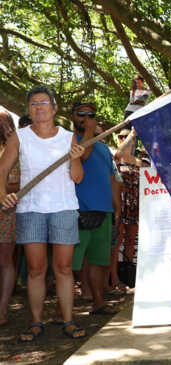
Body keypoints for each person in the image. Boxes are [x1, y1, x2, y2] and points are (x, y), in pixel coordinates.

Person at [0, 85, 86, 341]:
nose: (39, 107)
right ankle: (36, 321)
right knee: (36, 269)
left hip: (63, 208)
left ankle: (68, 320)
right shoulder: (20, 137)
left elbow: (78, 178)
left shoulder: (68, 137)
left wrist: (76, 158)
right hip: (31, 210)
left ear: (54, 108)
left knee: (64, 267)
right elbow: (2, 170)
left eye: (44, 103)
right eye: (34, 103)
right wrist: (3, 195)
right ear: (28, 109)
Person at [70, 101, 120, 315]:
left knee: (99, 261)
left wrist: (117, 207)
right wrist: (90, 130)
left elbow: (111, 178)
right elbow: (83, 156)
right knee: (69, 263)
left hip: (103, 211)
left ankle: (98, 302)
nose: (86, 117)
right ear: (72, 116)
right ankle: (60, 310)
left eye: (91, 114)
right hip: (79, 211)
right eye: (81, 113)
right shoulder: (71, 141)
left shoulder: (102, 146)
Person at [111, 128, 144, 290]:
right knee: (116, 243)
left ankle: (128, 275)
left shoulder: (140, 161)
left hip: (135, 206)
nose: (125, 139)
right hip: (120, 205)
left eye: (127, 136)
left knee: (131, 241)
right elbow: (119, 154)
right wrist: (132, 133)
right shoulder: (115, 159)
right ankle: (114, 278)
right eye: (121, 137)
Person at [0, 108, 19, 327]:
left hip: (7, 211)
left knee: (5, 260)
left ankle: (2, 310)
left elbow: (22, 183)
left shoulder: (16, 149)